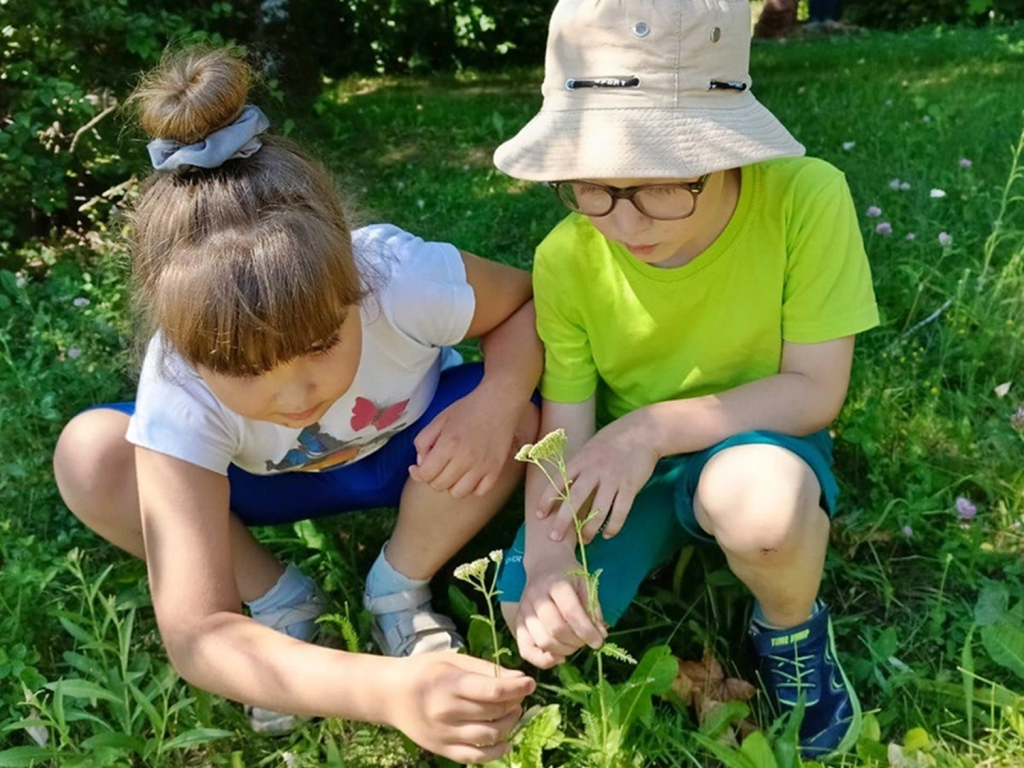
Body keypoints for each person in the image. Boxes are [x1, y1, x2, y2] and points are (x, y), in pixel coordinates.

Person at [52, 46, 540, 764]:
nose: (294, 393)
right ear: (188, 347)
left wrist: (497, 399)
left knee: (521, 418)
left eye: (318, 342)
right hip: (259, 487)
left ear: (353, 281)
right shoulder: (177, 382)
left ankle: (398, 586)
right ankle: (280, 599)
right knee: (90, 455)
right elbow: (196, 634)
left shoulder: (398, 277)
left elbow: (529, 302)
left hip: (417, 450)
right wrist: (387, 693)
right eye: (243, 366)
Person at [491, 0, 878, 759]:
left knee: (762, 510)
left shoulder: (806, 198)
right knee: (526, 616)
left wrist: (647, 429)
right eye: (591, 187)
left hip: (757, 436)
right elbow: (562, 430)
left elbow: (813, 390)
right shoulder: (567, 257)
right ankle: (649, 539)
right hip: (621, 471)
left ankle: (790, 633)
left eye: (662, 185)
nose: (626, 222)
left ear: (727, 149)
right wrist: (543, 564)